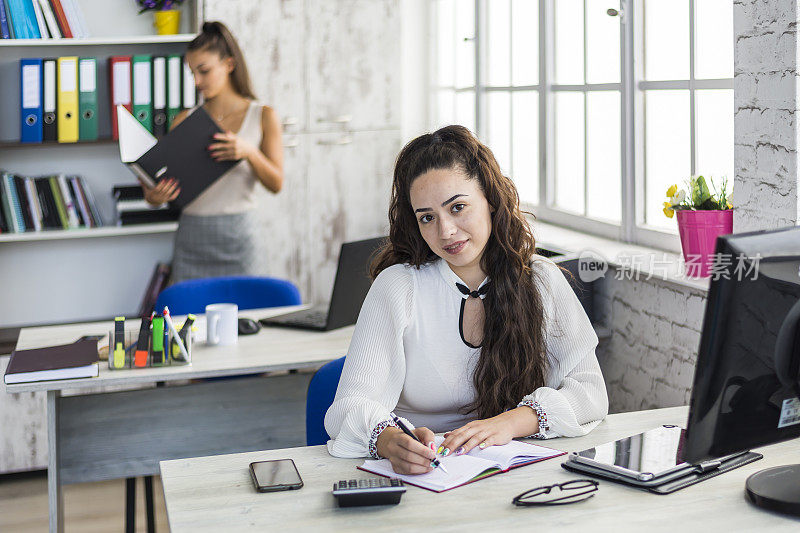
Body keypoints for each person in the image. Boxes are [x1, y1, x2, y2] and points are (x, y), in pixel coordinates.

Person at [324, 125, 608, 475]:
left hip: (517, 472)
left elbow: (592, 393)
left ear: (490, 198)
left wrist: (510, 423)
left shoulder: (542, 279)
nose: (445, 232)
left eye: (457, 207)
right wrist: (387, 438)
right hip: (427, 476)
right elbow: (347, 408)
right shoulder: (397, 286)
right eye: (427, 217)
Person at [141, 21, 284, 284]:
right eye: (192, 72)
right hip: (192, 237)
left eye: (204, 71)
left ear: (229, 65)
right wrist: (154, 196)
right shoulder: (184, 119)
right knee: (188, 318)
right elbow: (156, 189)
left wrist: (249, 152)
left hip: (240, 237)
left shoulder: (263, 115)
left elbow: (276, 184)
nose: (197, 81)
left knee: (247, 320)